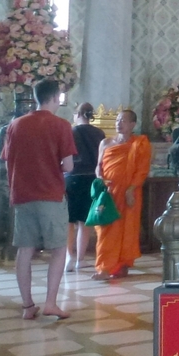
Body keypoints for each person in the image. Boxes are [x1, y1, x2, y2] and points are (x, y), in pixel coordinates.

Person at [0, 77, 76, 320]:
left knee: (25, 250)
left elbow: (7, 159)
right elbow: (69, 165)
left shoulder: (16, 125)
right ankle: (51, 303)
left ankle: (27, 306)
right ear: (56, 97)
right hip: (50, 194)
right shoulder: (61, 125)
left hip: (21, 194)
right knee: (58, 249)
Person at [92, 109, 152, 280]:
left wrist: (131, 189)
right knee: (106, 228)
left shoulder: (140, 143)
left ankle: (122, 264)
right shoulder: (106, 143)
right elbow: (98, 166)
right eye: (118, 120)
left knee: (128, 228)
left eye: (123, 121)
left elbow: (142, 170)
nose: (119, 123)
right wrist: (100, 179)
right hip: (108, 194)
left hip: (129, 193)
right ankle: (103, 267)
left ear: (133, 125)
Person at [65, 102, 105, 271]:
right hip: (91, 179)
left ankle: (69, 257)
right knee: (84, 222)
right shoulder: (99, 133)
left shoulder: (71, 132)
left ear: (77, 114)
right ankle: (80, 259)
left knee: (69, 221)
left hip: (72, 178)